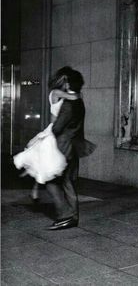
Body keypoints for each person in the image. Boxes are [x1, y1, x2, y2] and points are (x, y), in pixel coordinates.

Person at [13, 67, 79, 194]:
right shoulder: (56, 93)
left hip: (55, 127)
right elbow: (75, 97)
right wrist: (75, 91)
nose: (67, 85)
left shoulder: (56, 94)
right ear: (63, 82)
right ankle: (34, 184)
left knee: (44, 158)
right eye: (67, 82)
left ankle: (34, 188)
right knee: (46, 158)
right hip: (54, 129)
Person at [46, 67, 96, 230]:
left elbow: (57, 128)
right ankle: (72, 217)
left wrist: (47, 134)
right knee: (68, 183)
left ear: (67, 83)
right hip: (73, 146)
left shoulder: (68, 104)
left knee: (51, 181)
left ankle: (65, 216)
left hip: (64, 146)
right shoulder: (79, 101)